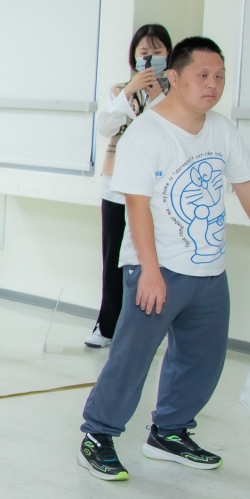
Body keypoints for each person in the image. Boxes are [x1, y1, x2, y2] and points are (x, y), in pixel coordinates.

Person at [78, 37, 250, 481]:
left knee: (202, 359)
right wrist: (149, 271)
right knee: (132, 358)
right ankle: (98, 434)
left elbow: (248, 184)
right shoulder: (147, 133)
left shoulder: (222, 129)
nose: (212, 85)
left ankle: (169, 432)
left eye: (219, 77)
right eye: (202, 76)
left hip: (209, 271)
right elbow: (136, 206)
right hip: (158, 268)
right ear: (174, 77)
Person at [86, 24, 173, 348]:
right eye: (144, 52)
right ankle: (106, 326)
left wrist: (157, 96)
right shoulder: (119, 89)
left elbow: (169, 131)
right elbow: (107, 125)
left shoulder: (175, 92)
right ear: (134, 57)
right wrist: (128, 92)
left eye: (157, 51)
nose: (150, 58)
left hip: (156, 189)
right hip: (117, 185)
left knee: (150, 257)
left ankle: (144, 329)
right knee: (113, 258)